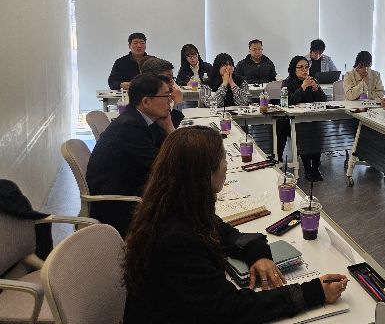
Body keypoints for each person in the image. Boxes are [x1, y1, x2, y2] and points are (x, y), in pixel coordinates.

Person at [123, 126, 347, 323]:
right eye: (223, 159)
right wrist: (312, 293)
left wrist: (258, 255)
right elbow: (231, 309)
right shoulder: (175, 237)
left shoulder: (177, 204)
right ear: (205, 173)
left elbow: (227, 234)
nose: (227, 165)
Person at [86, 73, 175, 237]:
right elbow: (166, 165)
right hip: (118, 206)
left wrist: (168, 126)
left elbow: (171, 154)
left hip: (134, 188)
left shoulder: (142, 118)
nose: (170, 100)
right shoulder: (130, 127)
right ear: (146, 102)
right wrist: (170, 129)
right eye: (166, 96)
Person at [278, 56, 327, 181]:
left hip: (311, 119)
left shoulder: (312, 80)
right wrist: (302, 88)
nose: (305, 70)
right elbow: (288, 102)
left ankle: (315, 168)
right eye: (301, 67)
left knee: (317, 131)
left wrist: (316, 89)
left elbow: (323, 100)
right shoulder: (287, 82)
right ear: (293, 69)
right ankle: (307, 168)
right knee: (303, 132)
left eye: (306, 67)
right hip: (293, 121)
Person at [139, 56, 185, 128]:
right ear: (151, 78)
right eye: (168, 78)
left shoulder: (157, 95)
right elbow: (168, 128)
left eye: (172, 78)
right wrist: (178, 103)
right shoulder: (149, 100)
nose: (172, 83)